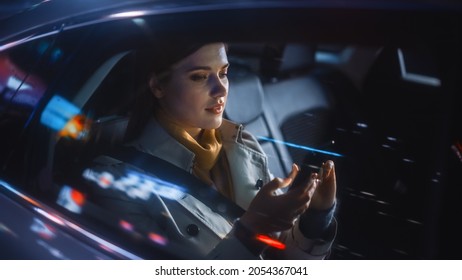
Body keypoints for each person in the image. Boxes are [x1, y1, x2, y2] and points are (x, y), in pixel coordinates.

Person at [87, 39, 337, 259]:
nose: (221, 90)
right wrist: (250, 232)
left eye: (224, 72)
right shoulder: (116, 180)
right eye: (199, 76)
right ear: (158, 86)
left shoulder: (241, 143)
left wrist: (317, 217)